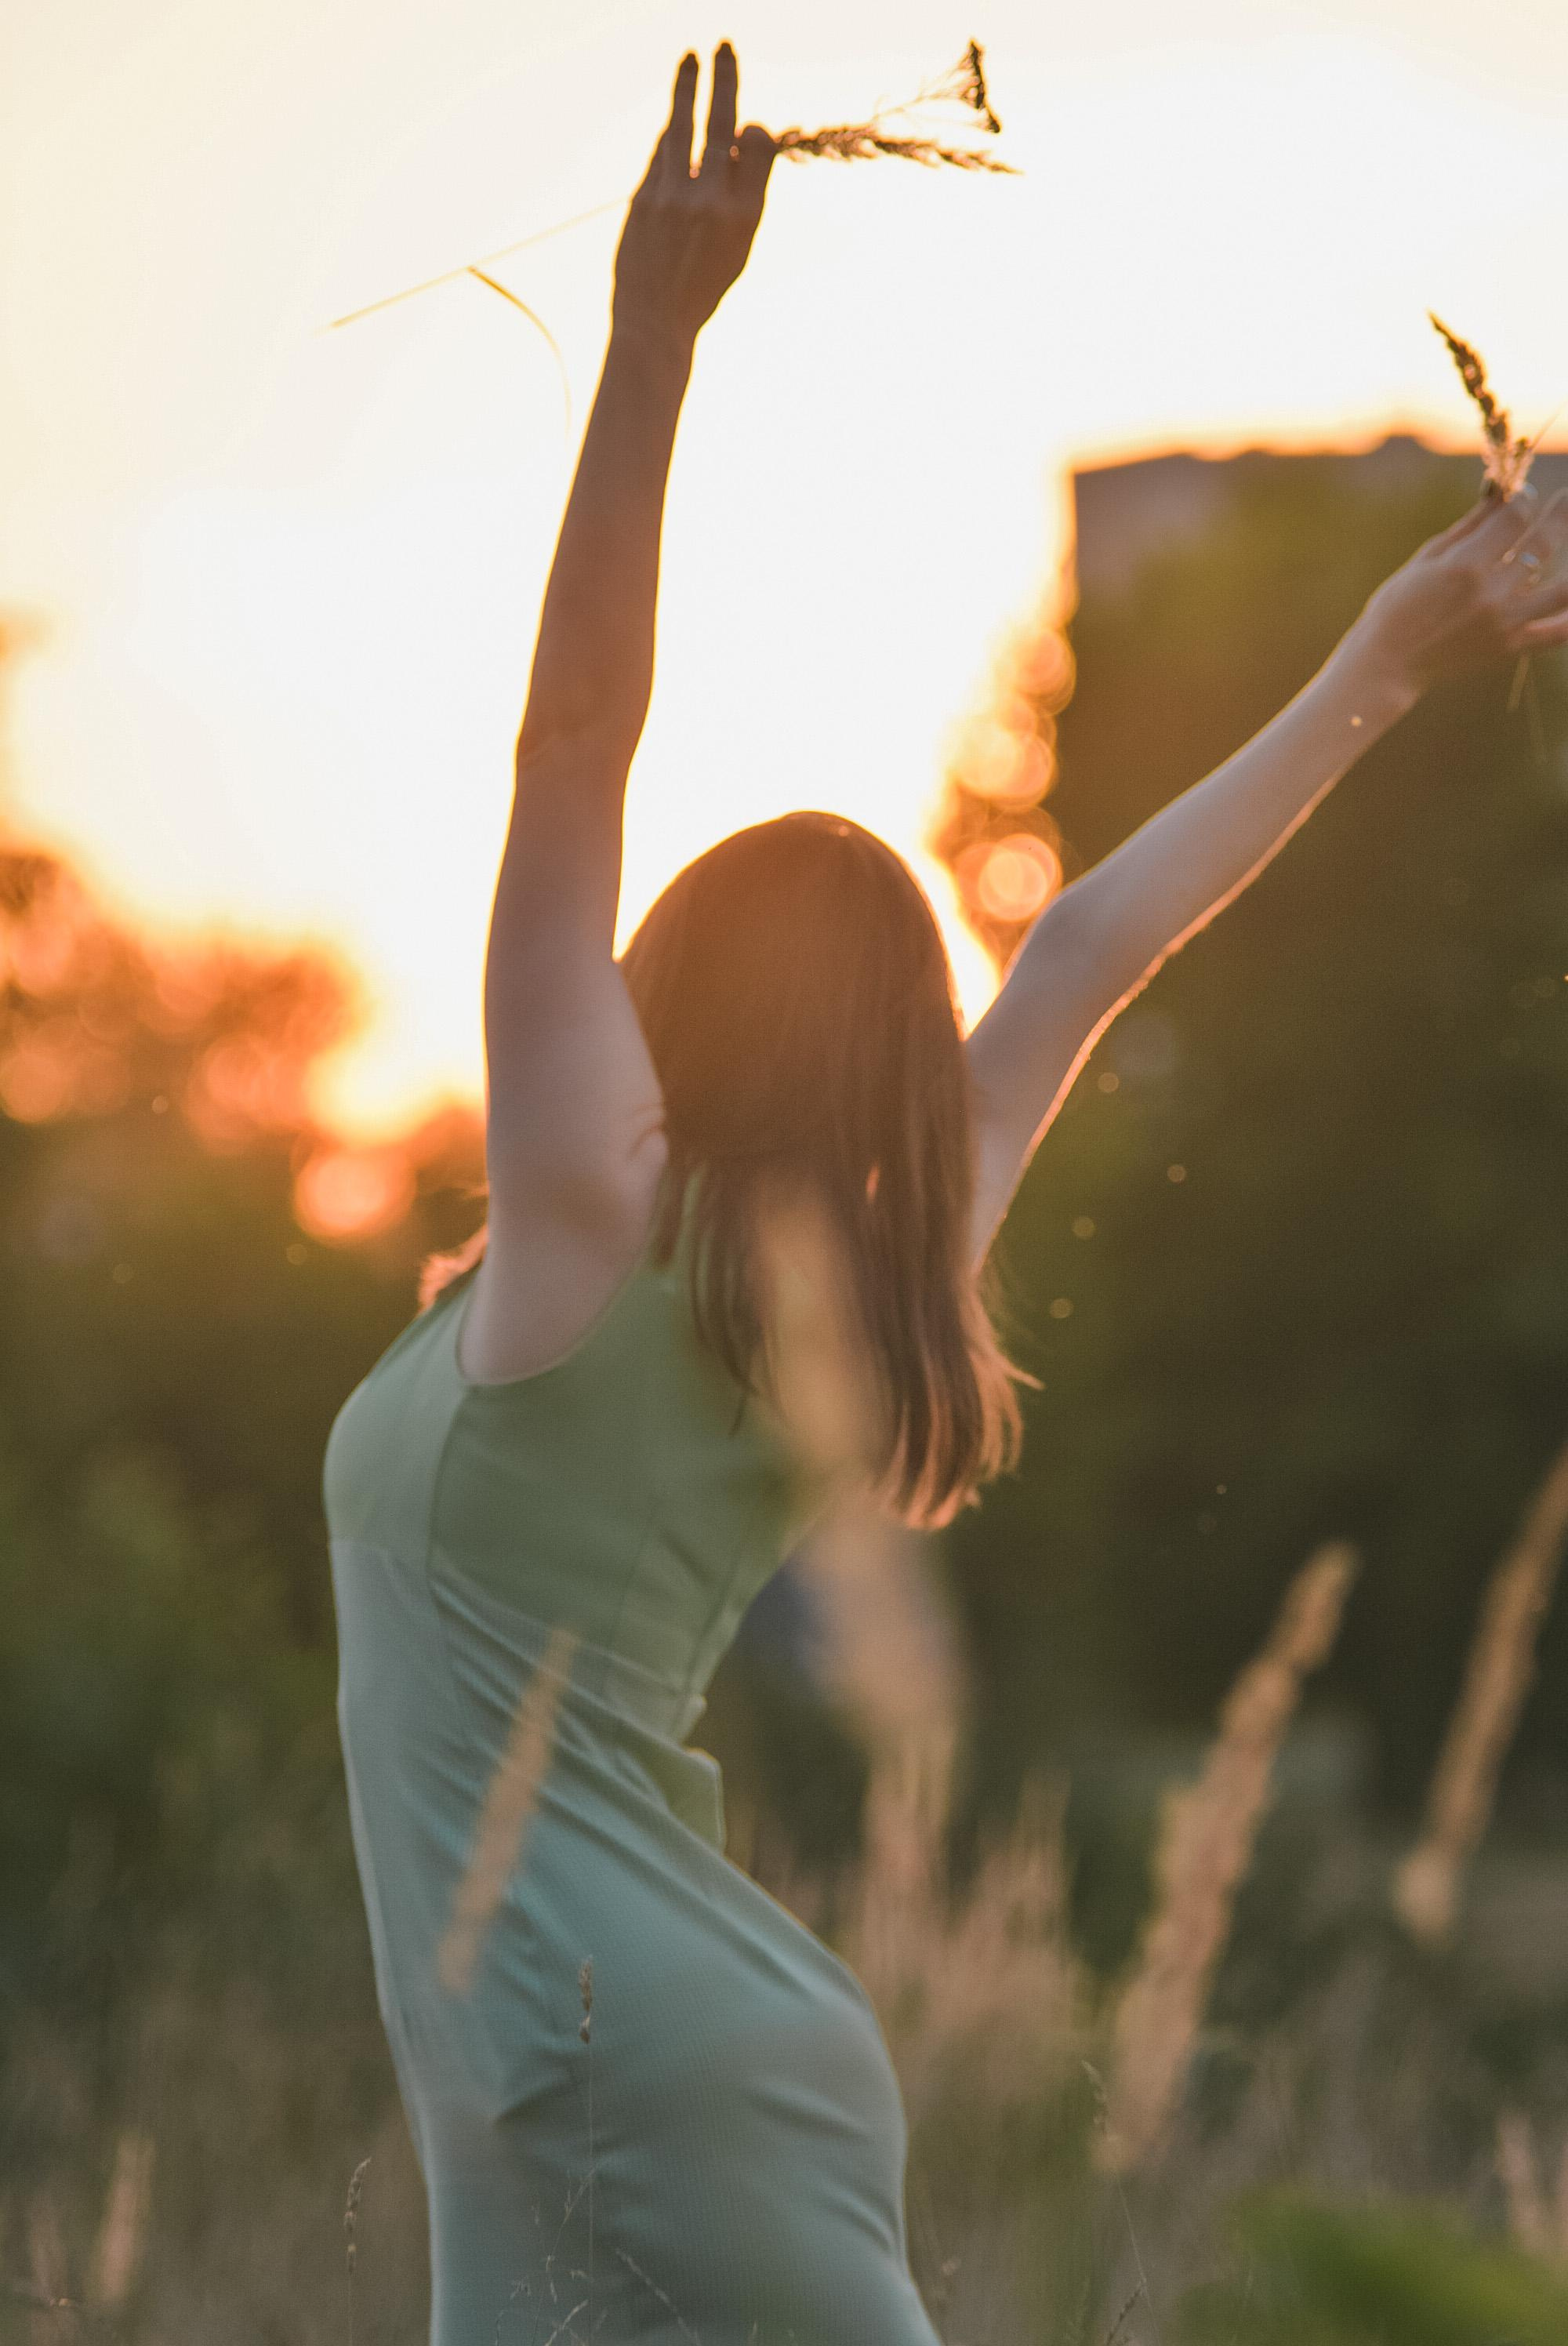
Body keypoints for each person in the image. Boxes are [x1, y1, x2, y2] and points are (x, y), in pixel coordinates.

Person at [324, 44, 1568, 2345]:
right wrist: (1378, 670)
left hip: (607, 2063)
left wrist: (649, 349)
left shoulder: (585, 1216)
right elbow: (1087, 948)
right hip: (584, 2075)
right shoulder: (857, 1273)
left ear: (665, 979)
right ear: (891, 1050)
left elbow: (575, 741)